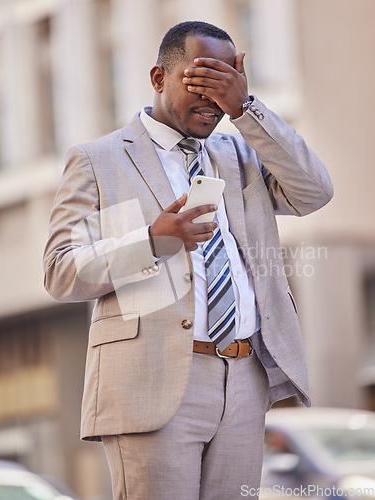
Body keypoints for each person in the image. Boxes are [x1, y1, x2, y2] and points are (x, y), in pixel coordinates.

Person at [43, 20, 333, 500]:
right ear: (159, 78)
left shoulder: (241, 152)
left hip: (243, 377)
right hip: (150, 382)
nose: (210, 99)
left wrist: (245, 108)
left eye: (223, 84)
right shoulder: (98, 160)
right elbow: (59, 270)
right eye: (199, 82)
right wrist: (151, 241)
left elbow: (315, 192)